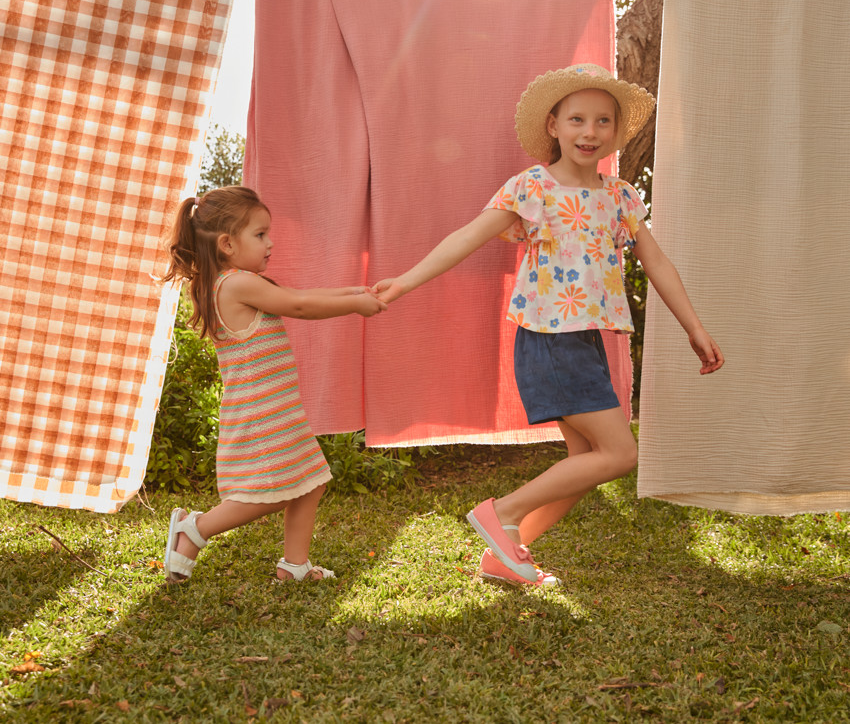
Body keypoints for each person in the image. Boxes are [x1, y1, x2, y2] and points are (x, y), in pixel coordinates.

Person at [374, 64, 724, 585]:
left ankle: (505, 554)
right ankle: (502, 513)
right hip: (548, 337)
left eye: (603, 121)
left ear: (615, 132)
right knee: (619, 453)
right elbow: (468, 236)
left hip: (584, 340)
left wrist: (694, 326)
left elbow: (657, 262)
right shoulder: (533, 187)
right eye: (577, 119)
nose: (590, 131)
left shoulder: (621, 196)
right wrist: (403, 282)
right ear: (554, 126)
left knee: (586, 461)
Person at [161, 186, 387, 583]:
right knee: (267, 492)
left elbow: (300, 296)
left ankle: (294, 566)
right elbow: (299, 306)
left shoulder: (235, 282)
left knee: (310, 482)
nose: (270, 243)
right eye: (260, 234)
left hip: (275, 407)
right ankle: (194, 528)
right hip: (262, 412)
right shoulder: (235, 284)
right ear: (228, 244)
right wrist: (354, 305)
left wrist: (357, 292)